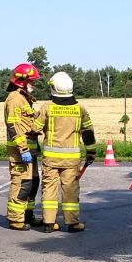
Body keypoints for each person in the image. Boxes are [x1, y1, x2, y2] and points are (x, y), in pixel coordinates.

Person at [33, 71, 96, 232]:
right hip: (71, 159)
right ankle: (73, 223)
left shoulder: (47, 107)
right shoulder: (80, 108)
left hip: (51, 159)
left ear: (54, 88)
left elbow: (35, 128)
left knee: (49, 189)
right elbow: (88, 132)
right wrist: (91, 153)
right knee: (70, 191)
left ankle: (48, 223)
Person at [3, 63, 41, 229]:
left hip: (30, 151)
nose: (33, 85)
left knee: (33, 183)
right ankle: (15, 219)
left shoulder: (24, 98)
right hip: (20, 152)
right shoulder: (14, 99)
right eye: (31, 81)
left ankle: (27, 214)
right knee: (21, 183)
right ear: (22, 81)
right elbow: (13, 127)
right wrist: (23, 149)